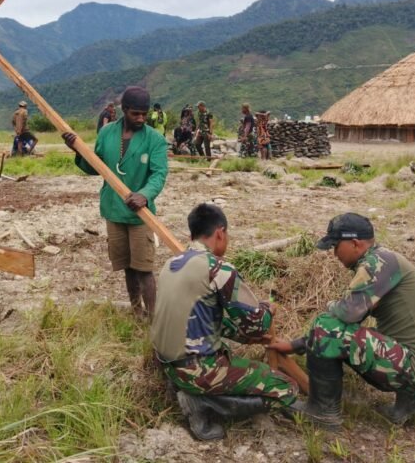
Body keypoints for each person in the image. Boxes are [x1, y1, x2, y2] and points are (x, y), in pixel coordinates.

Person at [268, 213, 415, 429]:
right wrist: (294, 345)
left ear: (355, 243)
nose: (334, 254)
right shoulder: (385, 260)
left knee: (325, 325)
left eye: (336, 246)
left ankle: (322, 412)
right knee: (333, 327)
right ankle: (408, 402)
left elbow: (346, 315)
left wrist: (330, 305)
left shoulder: (376, 263)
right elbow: (353, 319)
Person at [152, 203, 299, 440]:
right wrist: (267, 310)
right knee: (286, 388)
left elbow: (200, 320)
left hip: (168, 366)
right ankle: (204, 403)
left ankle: (195, 392)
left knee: (230, 357)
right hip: (196, 371)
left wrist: (242, 337)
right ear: (220, 233)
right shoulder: (218, 268)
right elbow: (258, 325)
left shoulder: (171, 264)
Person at [62, 86, 168, 317]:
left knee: (144, 269)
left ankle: (154, 319)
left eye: (144, 114)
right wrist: (78, 151)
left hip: (140, 215)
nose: (141, 118)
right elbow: (95, 167)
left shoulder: (155, 139)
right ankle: (136, 311)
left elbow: (159, 175)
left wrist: (144, 195)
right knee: (127, 267)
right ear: (124, 110)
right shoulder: (107, 133)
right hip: (113, 210)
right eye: (135, 114)